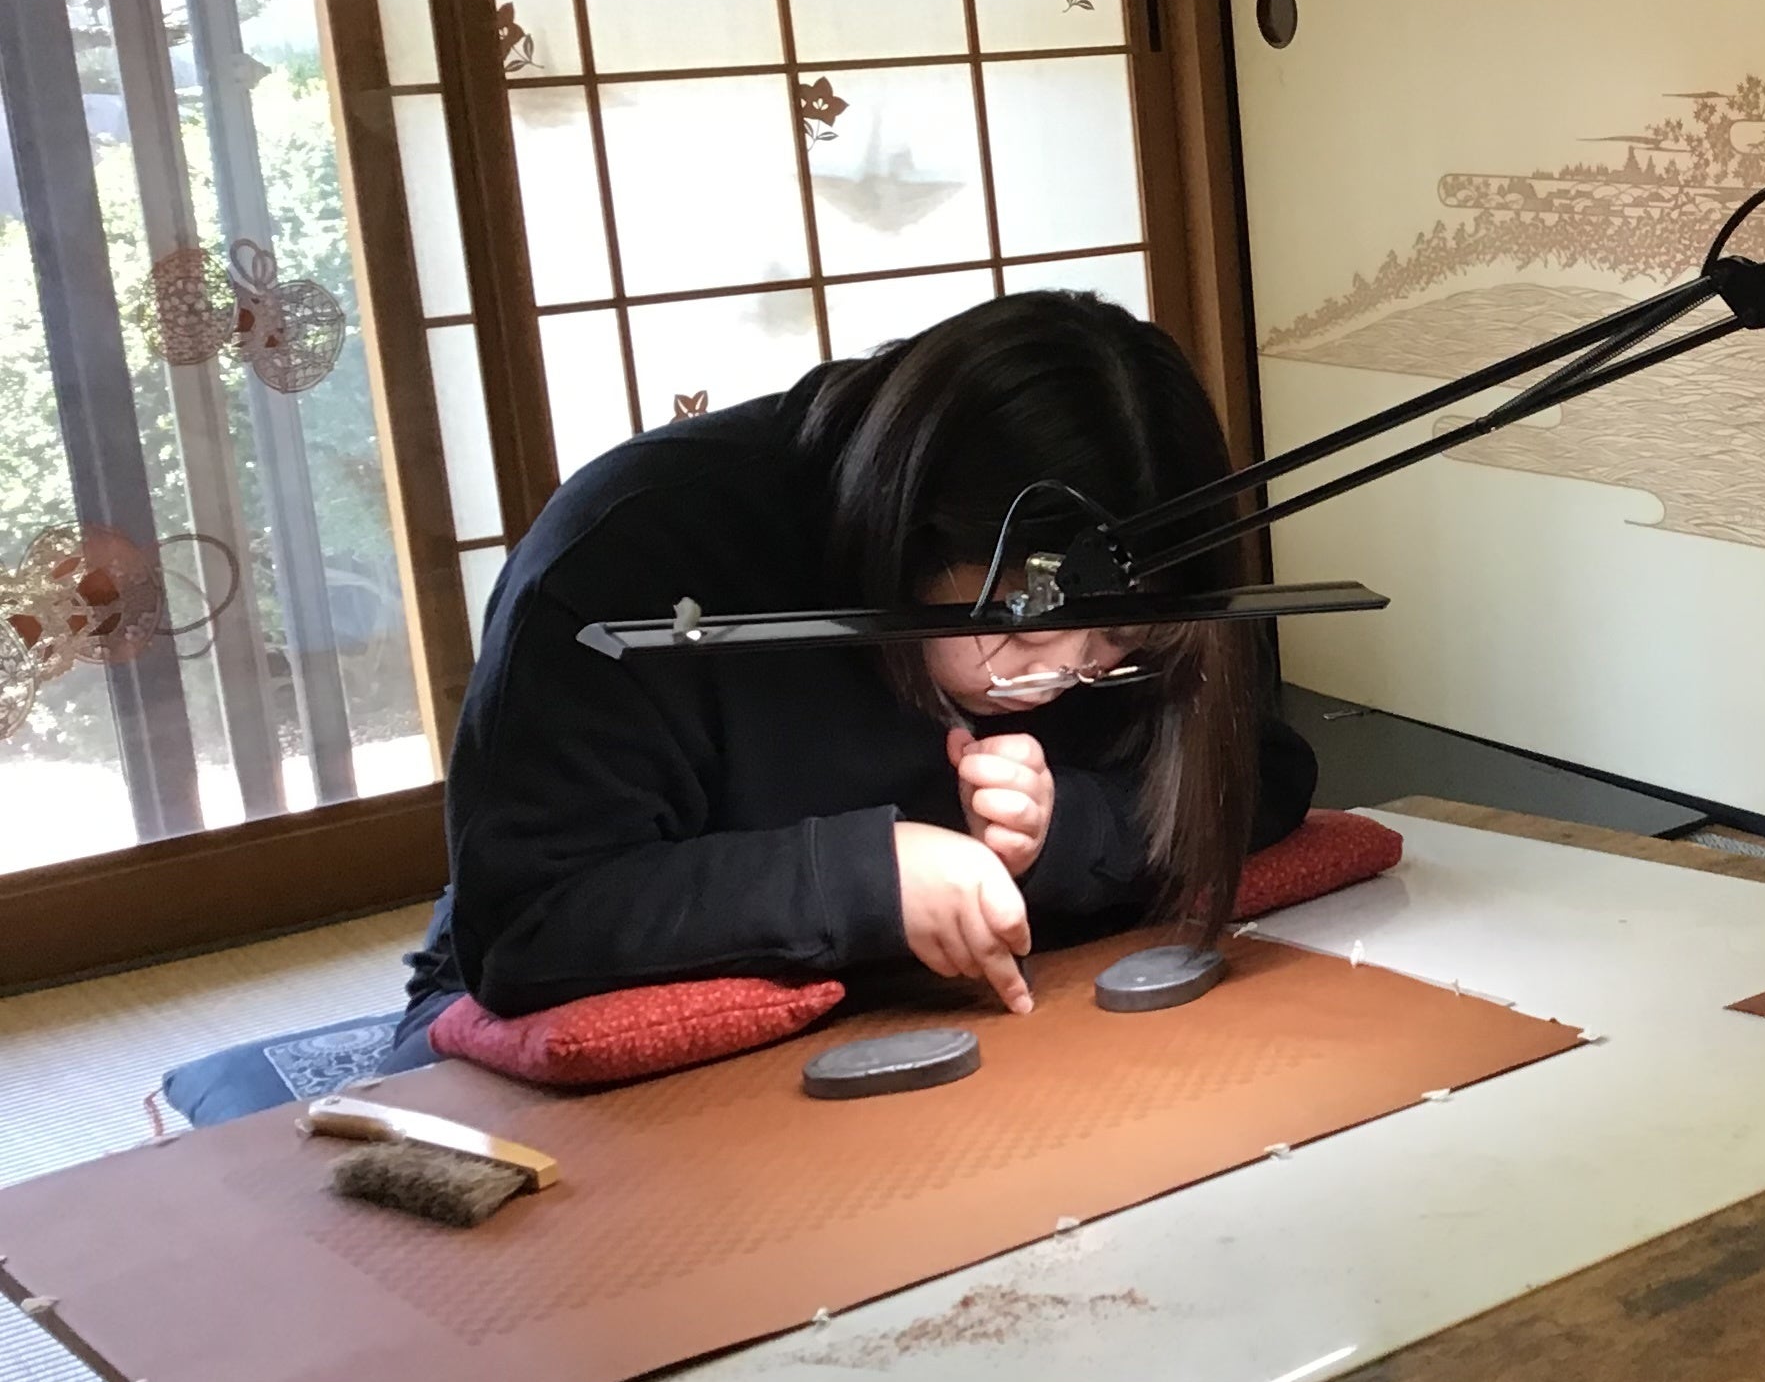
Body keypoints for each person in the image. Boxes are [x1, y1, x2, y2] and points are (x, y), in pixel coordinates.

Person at [396, 293, 1315, 1046]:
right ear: (910, 534)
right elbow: (528, 925)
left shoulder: (1122, 573)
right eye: (1031, 630)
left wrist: (1064, 830)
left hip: (949, 1008)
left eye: (1121, 645)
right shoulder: (635, 550)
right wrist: (868, 878)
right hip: (598, 1010)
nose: (1066, 673)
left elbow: (1259, 776)